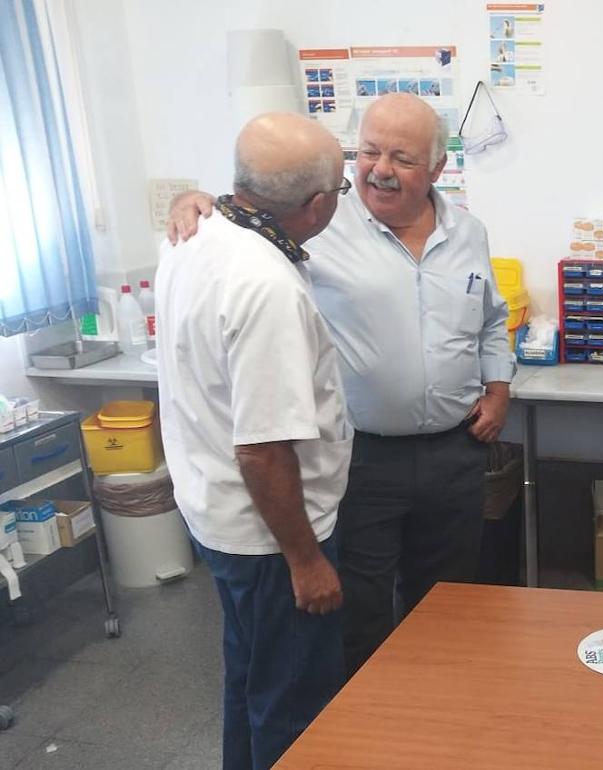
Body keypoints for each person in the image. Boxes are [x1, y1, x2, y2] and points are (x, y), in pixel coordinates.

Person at [168, 93, 515, 676]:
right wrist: (191, 200)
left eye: (401, 157)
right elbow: (250, 207)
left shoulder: (469, 232)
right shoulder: (315, 221)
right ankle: (369, 729)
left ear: (436, 168)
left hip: (455, 451)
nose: (379, 168)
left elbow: (492, 319)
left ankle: (446, 709)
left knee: (451, 597)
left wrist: (499, 387)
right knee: (359, 604)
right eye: (369, 151)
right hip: (362, 457)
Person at [155, 113, 352, 768]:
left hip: (219, 521)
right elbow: (263, 450)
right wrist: (306, 561)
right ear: (317, 204)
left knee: (249, 680)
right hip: (271, 541)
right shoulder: (264, 285)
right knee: (294, 701)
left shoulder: (194, 231)